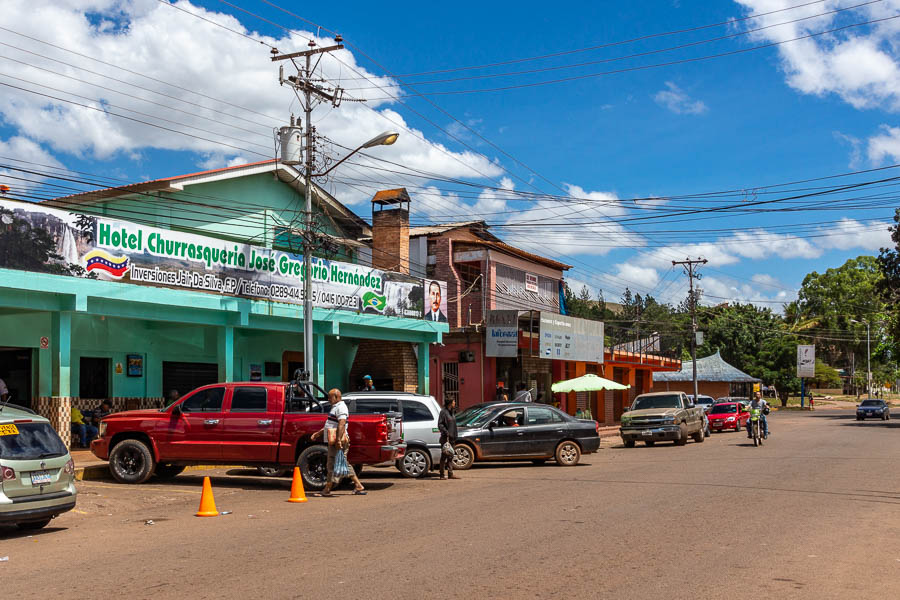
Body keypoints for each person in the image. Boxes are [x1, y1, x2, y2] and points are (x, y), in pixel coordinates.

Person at [311, 388, 366, 497]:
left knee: (336, 464)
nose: (328, 399)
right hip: (334, 441)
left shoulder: (341, 407)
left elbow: (341, 424)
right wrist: (319, 433)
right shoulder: (335, 407)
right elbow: (331, 424)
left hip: (338, 441)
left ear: (336, 397)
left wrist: (338, 440)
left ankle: (327, 489)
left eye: (330, 397)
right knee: (338, 463)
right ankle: (357, 486)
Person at [438, 397, 460, 480]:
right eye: (454, 401)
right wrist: (446, 432)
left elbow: (453, 425)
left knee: (451, 456)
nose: (455, 403)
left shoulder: (452, 412)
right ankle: (442, 475)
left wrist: (455, 436)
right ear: (450, 403)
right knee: (444, 456)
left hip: (452, 438)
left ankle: (450, 473)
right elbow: (440, 424)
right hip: (445, 438)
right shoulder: (443, 412)